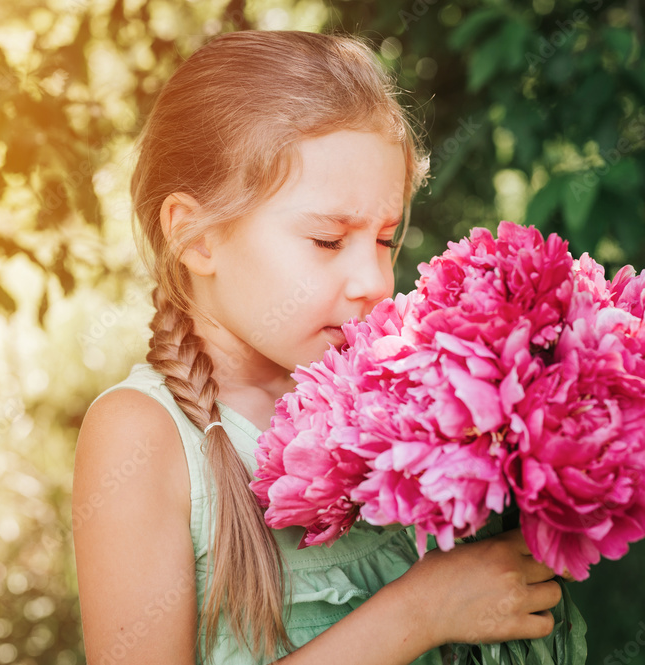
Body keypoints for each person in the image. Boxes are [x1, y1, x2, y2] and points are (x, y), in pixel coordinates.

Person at [72, 30, 562, 665]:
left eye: (385, 240)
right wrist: (421, 612)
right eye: (329, 240)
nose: (374, 282)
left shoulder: (392, 390)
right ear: (195, 236)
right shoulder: (141, 437)